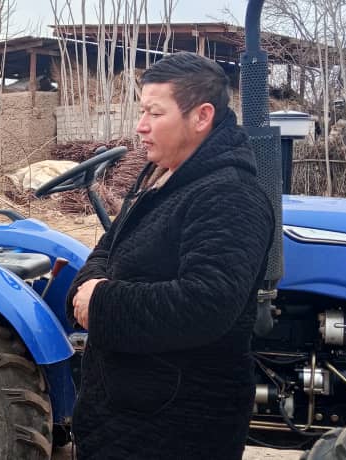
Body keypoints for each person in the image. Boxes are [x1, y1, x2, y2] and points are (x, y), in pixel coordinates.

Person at [65, 52, 275, 458]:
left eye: (155, 113)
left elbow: (206, 304)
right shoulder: (163, 176)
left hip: (172, 427)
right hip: (127, 413)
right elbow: (110, 246)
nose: (140, 126)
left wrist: (101, 303)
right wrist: (87, 288)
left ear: (201, 117)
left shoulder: (229, 195)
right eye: (142, 111)